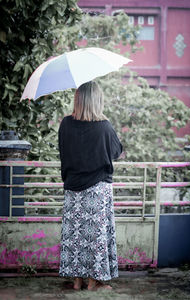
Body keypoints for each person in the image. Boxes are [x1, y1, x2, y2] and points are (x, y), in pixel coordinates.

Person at [58, 81, 122, 291]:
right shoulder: (104, 126)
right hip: (97, 190)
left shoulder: (66, 124)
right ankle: (93, 282)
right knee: (96, 237)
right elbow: (116, 152)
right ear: (97, 101)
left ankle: (77, 281)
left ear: (78, 100)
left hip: (72, 189)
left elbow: (63, 151)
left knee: (75, 237)